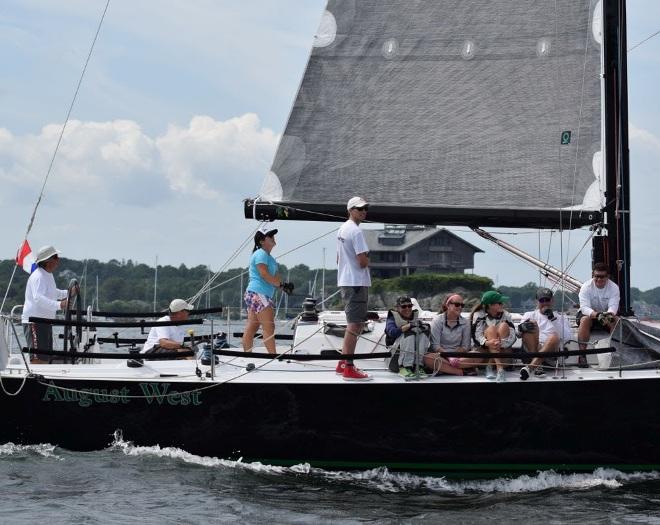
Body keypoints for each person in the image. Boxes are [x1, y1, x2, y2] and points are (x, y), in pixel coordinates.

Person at [335, 196, 372, 381]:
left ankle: (343, 363)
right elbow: (363, 261)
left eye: (365, 208)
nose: (363, 211)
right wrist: (369, 258)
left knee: (353, 323)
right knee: (355, 324)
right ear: (350, 210)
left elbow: (338, 259)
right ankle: (349, 367)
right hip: (357, 282)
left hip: (346, 280)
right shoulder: (356, 232)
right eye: (359, 209)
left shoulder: (342, 229)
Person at [242, 223, 292, 355]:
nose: (273, 237)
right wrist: (281, 285)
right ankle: (273, 357)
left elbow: (274, 278)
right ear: (261, 241)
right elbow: (264, 274)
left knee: (253, 326)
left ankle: (247, 355)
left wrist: (284, 286)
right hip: (259, 293)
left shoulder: (270, 258)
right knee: (269, 326)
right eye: (269, 236)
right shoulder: (261, 254)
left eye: (272, 235)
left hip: (256, 293)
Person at [21, 245, 73, 363]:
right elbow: (38, 298)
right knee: (38, 358)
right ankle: (35, 379)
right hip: (34, 322)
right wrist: (60, 305)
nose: (58, 260)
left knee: (45, 357)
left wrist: (69, 293)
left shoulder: (47, 275)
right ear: (48, 261)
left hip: (44, 322)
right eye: (56, 257)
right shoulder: (38, 276)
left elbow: (53, 293)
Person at [518, 287, 572, 380]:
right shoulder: (529, 315)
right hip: (531, 350)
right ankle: (537, 365)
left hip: (550, 354)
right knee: (531, 324)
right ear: (537, 302)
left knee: (554, 337)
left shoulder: (560, 317)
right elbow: (518, 334)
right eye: (541, 300)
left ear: (552, 301)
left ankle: (531, 367)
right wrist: (521, 328)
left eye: (547, 300)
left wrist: (553, 319)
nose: (545, 303)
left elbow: (567, 338)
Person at [577, 262, 620, 367]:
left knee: (616, 320)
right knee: (585, 320)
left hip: (606, 315)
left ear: (607, 276)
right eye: (596, 276)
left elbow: (613, 308)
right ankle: (582, 355)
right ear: (593, 275)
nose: (599, 279)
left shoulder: (614, 288)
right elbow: (584, 308)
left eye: (602, 277)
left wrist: (605, 316)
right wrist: (597, 315)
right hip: (589, 315)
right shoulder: (586, 287)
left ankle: (616, 353)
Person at [470, 290, 516, 382]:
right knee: (491, 329)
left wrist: (500, 343)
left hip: (502, 352)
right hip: (484, 353)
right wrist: (488, 343)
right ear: (490, 305)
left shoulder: (506, 315)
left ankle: (490, 366)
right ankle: (499, 369)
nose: (502, 304)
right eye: (499, 303)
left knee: (503, 326)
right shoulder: (478, 315)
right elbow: (476, 337)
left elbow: (513, 335)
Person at [425, 293, 475, 376]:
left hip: (459, 356)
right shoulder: (437, 321)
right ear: (448, 305)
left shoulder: (465, 323)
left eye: (462, 305)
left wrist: (454, 356)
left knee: (477, 356)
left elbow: (465, 347)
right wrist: (449, 357)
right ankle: (460, 371)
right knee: (427, 358)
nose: (460, 307)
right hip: (441, 356)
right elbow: (435, 346)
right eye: (457, 304)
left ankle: (445, 369)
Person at [385, 296, 430, 379]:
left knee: (423, 332)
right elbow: (392, 332)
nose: (407, 309)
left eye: (409, 306)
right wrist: (408, 326)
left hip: (413, 361)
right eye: (403, 306)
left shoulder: (415, 317)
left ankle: (418, 366)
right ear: (397, 308)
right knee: (409, 332)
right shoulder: (392, 319)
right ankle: (404, 367)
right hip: (394, 360)